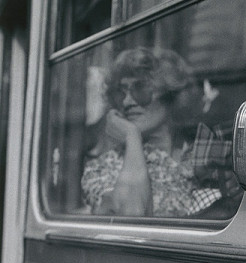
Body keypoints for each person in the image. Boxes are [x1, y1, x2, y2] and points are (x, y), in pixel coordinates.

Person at [81, 47, 225, 217]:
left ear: (170, 93)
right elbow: (130, 217)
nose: (127, 101)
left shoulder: (200, 157)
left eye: (140, 89)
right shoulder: (102, 169)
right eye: (121, 92)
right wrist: (131, 136)